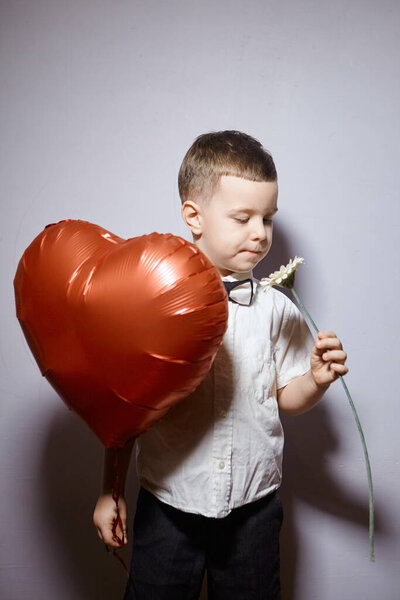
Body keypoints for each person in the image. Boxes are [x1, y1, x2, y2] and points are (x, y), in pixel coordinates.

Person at [93, 130, 348, 599]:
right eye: (242, 217)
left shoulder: (278, 309)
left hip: (255, 509)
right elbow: (128, 406)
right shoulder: (156, 304)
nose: (260, 233)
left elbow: (286, 397)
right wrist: (110, 488)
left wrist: (315, 379)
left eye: (268, 219)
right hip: (169, 503)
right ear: (194, 215)